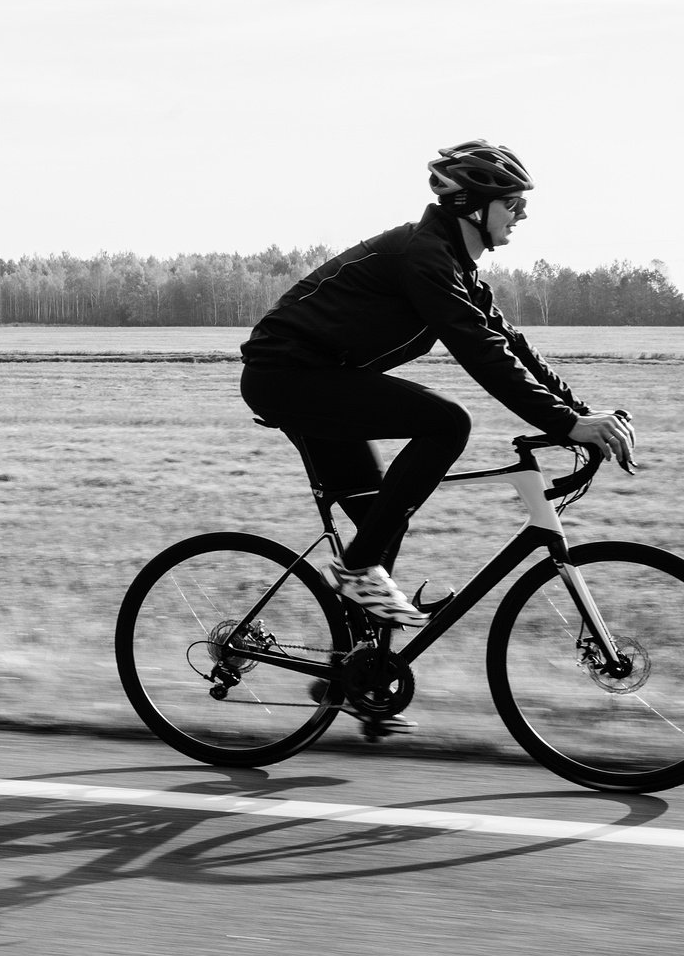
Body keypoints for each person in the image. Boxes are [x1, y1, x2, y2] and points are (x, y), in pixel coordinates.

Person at [239, 141, 634, 629]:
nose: (522, 213)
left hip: (317, 378)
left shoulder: (453, 265)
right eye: (512, 202)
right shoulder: (423, 256)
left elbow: (511, 346)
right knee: (448, 423)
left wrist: (580, 413)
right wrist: (567, 424)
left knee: (383, 519)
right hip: (286, 376)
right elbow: (480, 353)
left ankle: (359, 677)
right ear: (472, 204)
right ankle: (355, 571)